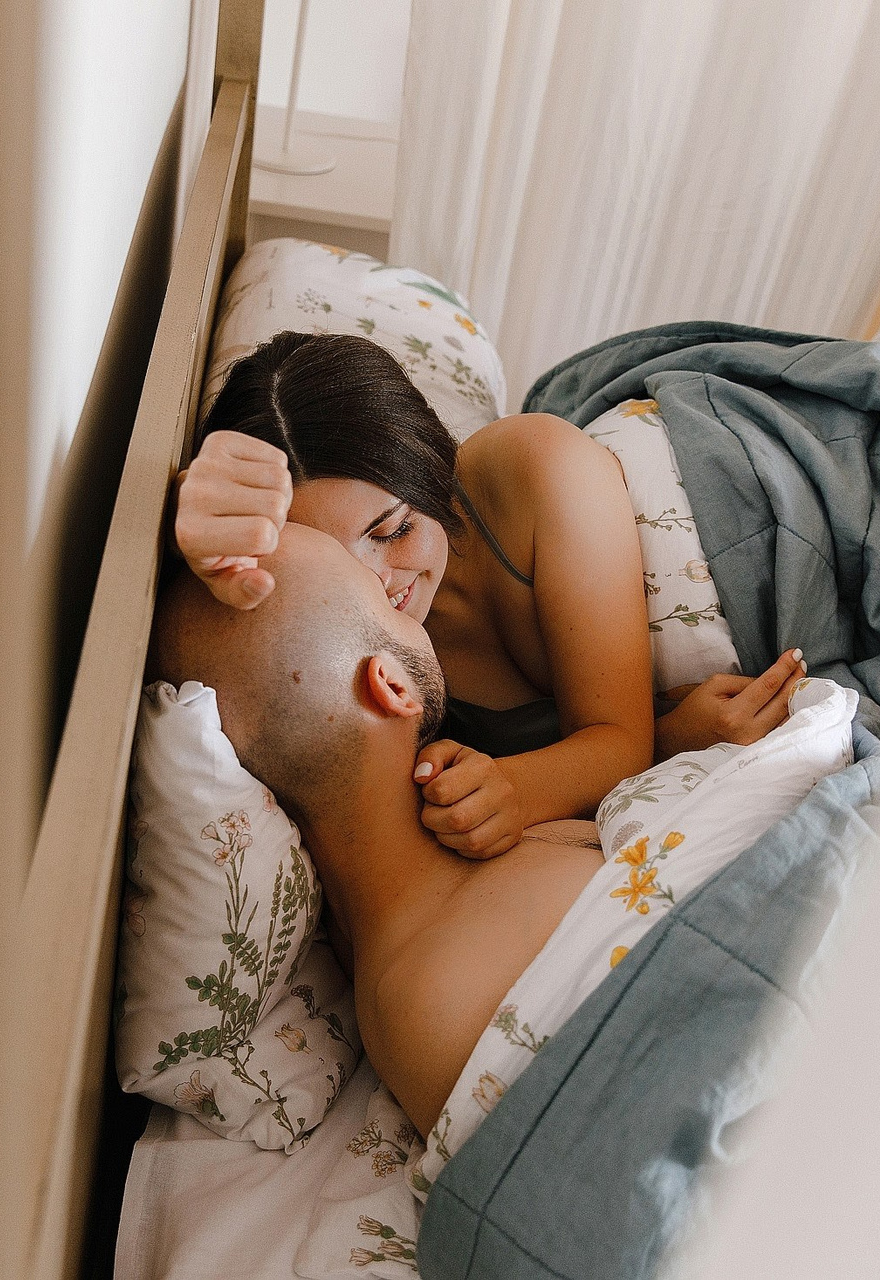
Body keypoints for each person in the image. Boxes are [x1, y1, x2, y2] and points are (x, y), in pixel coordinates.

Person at [174, 331, 804, 857]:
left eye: (394, 531)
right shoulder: (342, 644)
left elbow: (620, 739)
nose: (381, 585)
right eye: (337, 565)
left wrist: (526, 783)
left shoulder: (533, 468)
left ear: (428, 466)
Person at [154, 523, 602, 1132]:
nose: (402, 591)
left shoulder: (422, 937)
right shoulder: (437, 1004)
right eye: (378, 595)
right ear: (391, 686)